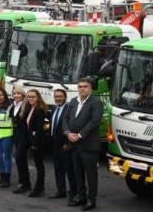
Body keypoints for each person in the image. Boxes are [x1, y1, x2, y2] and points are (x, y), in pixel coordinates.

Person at [63, 78, 103, 211]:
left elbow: (95, 121)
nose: (81, 89)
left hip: (89, 145)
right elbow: (66, 118)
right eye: (79, 86)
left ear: (91, 88)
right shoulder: (73, 101)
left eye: (85, 86)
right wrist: (68, 133)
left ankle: (91, 200)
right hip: (74, 144)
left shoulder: (96, 102)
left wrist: (80, 135)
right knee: (78, 172)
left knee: (91, 174)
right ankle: (81, 196)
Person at [18, 89, 48, 197]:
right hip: (28, 138)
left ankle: (39, 188)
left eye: (33, 97)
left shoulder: (40, 110)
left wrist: (35, 144)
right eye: (29, 97)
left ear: (38, 97)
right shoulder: (29, 108)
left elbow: (41, 129)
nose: (30, 99)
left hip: (38, 141)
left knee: (39, 165)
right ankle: (25, 183)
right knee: (19, 156)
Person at [49, 89, 76, 201]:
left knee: (69, 170)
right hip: (55, 144)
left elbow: (71, 127)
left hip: (65, 145)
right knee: (58, 168)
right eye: (56, 96)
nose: (58, 98)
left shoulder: (69, 109)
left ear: (65, 97)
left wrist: (67, 143)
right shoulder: (54, 108)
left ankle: (73, 193)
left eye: (60, 96)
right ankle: (61, 190)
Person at [0, 87, 14, 187]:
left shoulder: (10, 107)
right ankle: (2, 175)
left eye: (1, 95)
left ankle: (6, 179)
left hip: (7, 136)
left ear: (5, 96)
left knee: (7, 157)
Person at [11, 86, 30, 193]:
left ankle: (24, 184)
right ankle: (23, 183)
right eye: (14, 94)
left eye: (18, 94)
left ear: (23, 95)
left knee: (19, 158)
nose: (16, 96)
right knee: (20, 160)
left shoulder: (26, 106)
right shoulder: (14, 105)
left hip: (24, 136)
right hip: (16, 136)